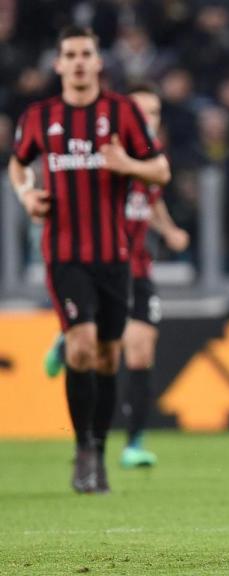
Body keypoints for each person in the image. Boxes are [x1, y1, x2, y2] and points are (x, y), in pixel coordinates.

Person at [8, 26, 169, 493]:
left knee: (106, 355)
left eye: (86, 54)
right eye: (70, 55)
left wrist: (127, 165)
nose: (78, 62)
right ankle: (83, 451)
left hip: (115, 257)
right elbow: (18, 162)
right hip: (64, 255)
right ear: (58, 64)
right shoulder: (40, 116)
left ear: (98, 62)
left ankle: (98, 448)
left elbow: (160, 169)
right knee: (80, 346)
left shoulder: (122, 113)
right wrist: (26, 194)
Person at [119, 83, 190, 468]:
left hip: (138, 266)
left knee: (143, 348)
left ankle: (133, 443)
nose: (149, 119)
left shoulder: (152, 157)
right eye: (140, 112)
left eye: (155, 112)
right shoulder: (107, 154)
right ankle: (67, 336)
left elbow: (151, 199)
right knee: (97, 348)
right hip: (103, 267)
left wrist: (169, 229)